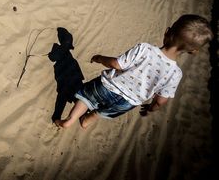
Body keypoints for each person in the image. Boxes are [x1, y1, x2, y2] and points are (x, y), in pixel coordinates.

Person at [55, 14, 213, 129]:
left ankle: (70, 120)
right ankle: (87, 121)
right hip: (128, 102)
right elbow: (161, 101)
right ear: (193, 51)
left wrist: (99, 58)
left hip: (108, 86)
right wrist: (151, 108)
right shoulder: (175, 74)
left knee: (86, 98)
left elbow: (117, 64)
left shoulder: (145, 49)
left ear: (167, 32)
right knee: (103, 112)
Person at [48, 27, 84, 123]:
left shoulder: (64, 52)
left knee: (66, 95)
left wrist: (56, 117)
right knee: (75, 96)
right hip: (71, 76)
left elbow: (62, 97)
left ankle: (57, 118)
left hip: (67, 76)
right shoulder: (66, 54)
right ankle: (57, 118)